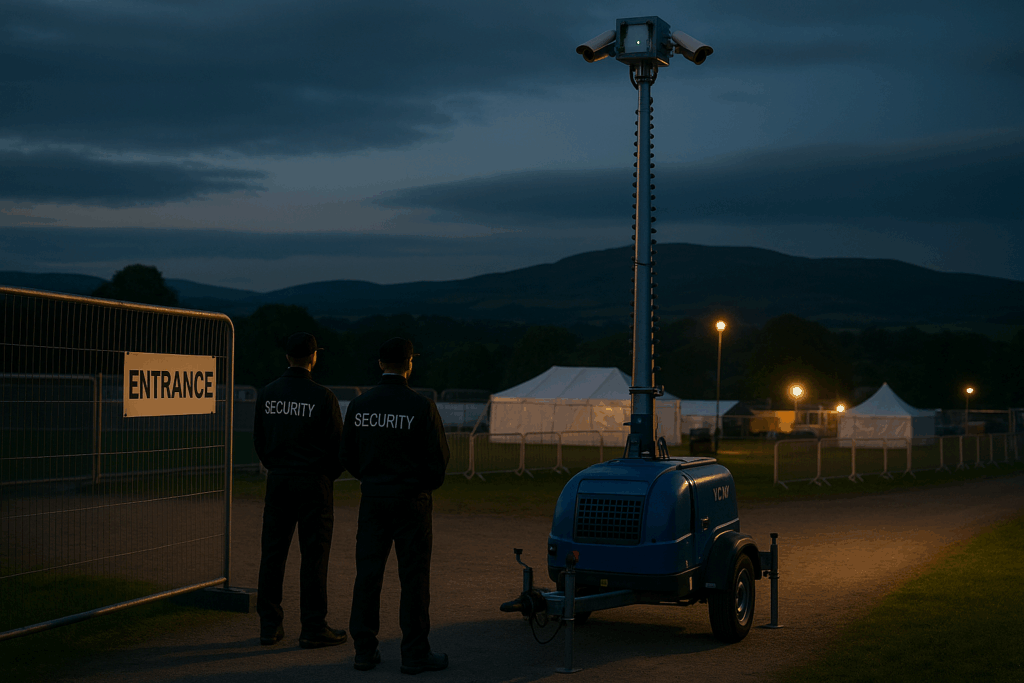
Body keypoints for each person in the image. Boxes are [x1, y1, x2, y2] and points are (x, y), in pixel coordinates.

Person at [342, 338, 450, 673]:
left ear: (380, 364)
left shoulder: (360, 406)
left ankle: (364, 650)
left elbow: (348, 455)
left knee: (368, 575)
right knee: (414, 578)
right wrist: (418, 485)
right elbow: (438, 461)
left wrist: (373, 479)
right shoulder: (421, 406)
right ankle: (415, 653)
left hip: (373, 499)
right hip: (411, 501)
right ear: (409, 364)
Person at [253, 332, 347, 649]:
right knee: (314, 557)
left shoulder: (268, 393)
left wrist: (276, 466)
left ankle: (269, 625)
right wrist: (325, 476)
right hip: (314, 483)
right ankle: (313, 626)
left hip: (279, 480)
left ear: (287, 357)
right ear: (313, 357)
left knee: (273, 554)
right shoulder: (323, 397)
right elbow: (339, 448)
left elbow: (260, 440)